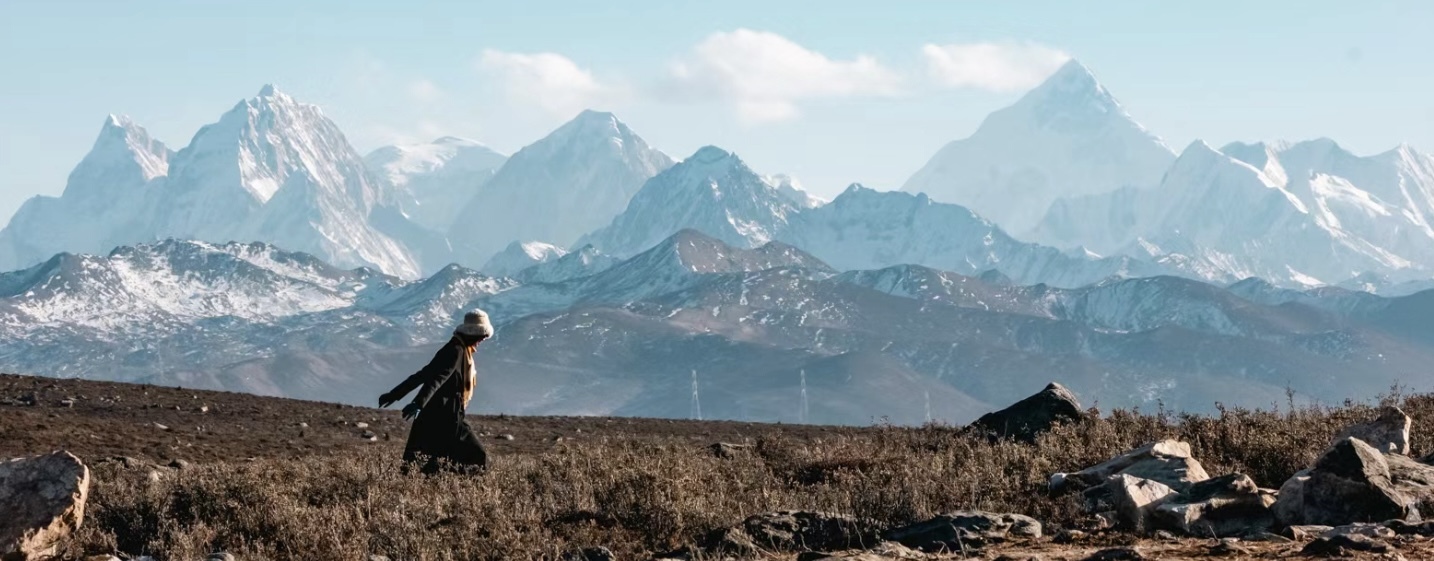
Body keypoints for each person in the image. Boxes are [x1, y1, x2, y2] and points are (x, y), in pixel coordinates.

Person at [378, 309, 493, 474]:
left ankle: (443, 492)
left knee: (430, 462)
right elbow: (437, 378)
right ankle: (466, 492)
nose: (482, 340)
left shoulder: (455, 348)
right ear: (473, 334)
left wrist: (395, 394)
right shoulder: (456, 351)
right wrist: (417, 402)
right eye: (482, 336)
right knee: (475, 455)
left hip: (437, 414)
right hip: (448, 416)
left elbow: (424, 374)